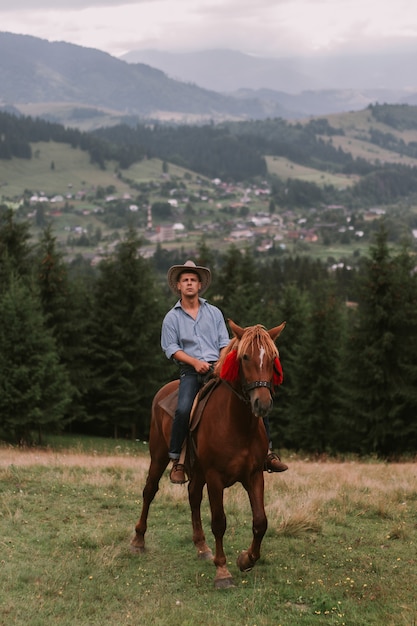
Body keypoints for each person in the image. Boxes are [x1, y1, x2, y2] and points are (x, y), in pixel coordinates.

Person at [161, 259, 287, 484]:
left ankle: (267, 453)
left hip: (216, 367)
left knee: (255, 397)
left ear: (200, 285)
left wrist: (220, 364)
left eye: (193, 280)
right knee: (182, 409)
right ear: (178, 286)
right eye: (185, 280)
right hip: (190, 371)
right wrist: (194, 362)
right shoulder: (172, 317)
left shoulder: (214, 312)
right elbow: (171, 348)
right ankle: (177, 461)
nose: (189, 284)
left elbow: (223, 343)